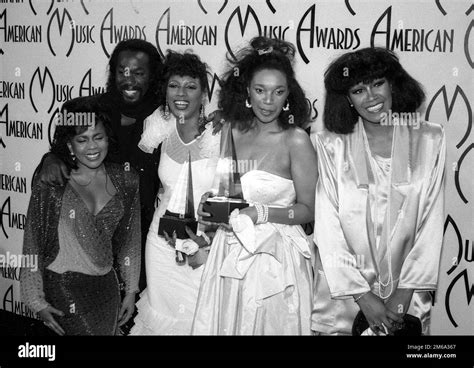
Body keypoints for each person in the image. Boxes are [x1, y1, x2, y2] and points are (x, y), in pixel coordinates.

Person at [311, 47, 446, 335]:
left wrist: (405, 293)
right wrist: (363, 296)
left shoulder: (430, 139)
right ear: (347, 98)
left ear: (393, 84)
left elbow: (431, 223)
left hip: (407, 296)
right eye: (358, 90)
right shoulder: (330, 145)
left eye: (377, 83)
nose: (371, 97)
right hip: (345, 298)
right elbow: (327, 226)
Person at [191, 36, 317, 335]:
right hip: (229, 252)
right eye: (260, 91)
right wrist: (209, 207)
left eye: (278, 92)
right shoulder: (231, 132)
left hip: (277, 260)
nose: (269, 101)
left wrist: (260, 213)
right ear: (247, 90)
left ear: (288, 95)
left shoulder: (296, 139)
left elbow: (309, 209)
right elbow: (226, 196)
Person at [38, 39, 163, 293]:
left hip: (140, 236)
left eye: (139, 73)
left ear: (152, 76)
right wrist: (49, 159)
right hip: (91, 234)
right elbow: (62, 149)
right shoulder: (87, 110)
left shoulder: (165, 114)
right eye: (122, 71)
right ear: (113, 72)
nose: (129, 80)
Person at [20, 97, 141, 335]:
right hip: (64, 289)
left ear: (108, 138)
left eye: (98, 137)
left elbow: (130, 241)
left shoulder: (126, 180)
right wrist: (36, 300)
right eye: (82, 140)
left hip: (107, 289)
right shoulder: (53, 183)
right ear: (69, 145)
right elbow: (32, 244)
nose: (93, 147)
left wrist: (130, 291)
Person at [129, 50, 220, 335]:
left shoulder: (221, 132)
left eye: (191, 86)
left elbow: (233, 195)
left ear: (203, 93)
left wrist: (207, 243)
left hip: (206, 246)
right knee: (160, 318)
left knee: (201, 320)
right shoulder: (160, 125)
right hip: (161, 243)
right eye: (173, 85)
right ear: (164, 90)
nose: (181, 93)